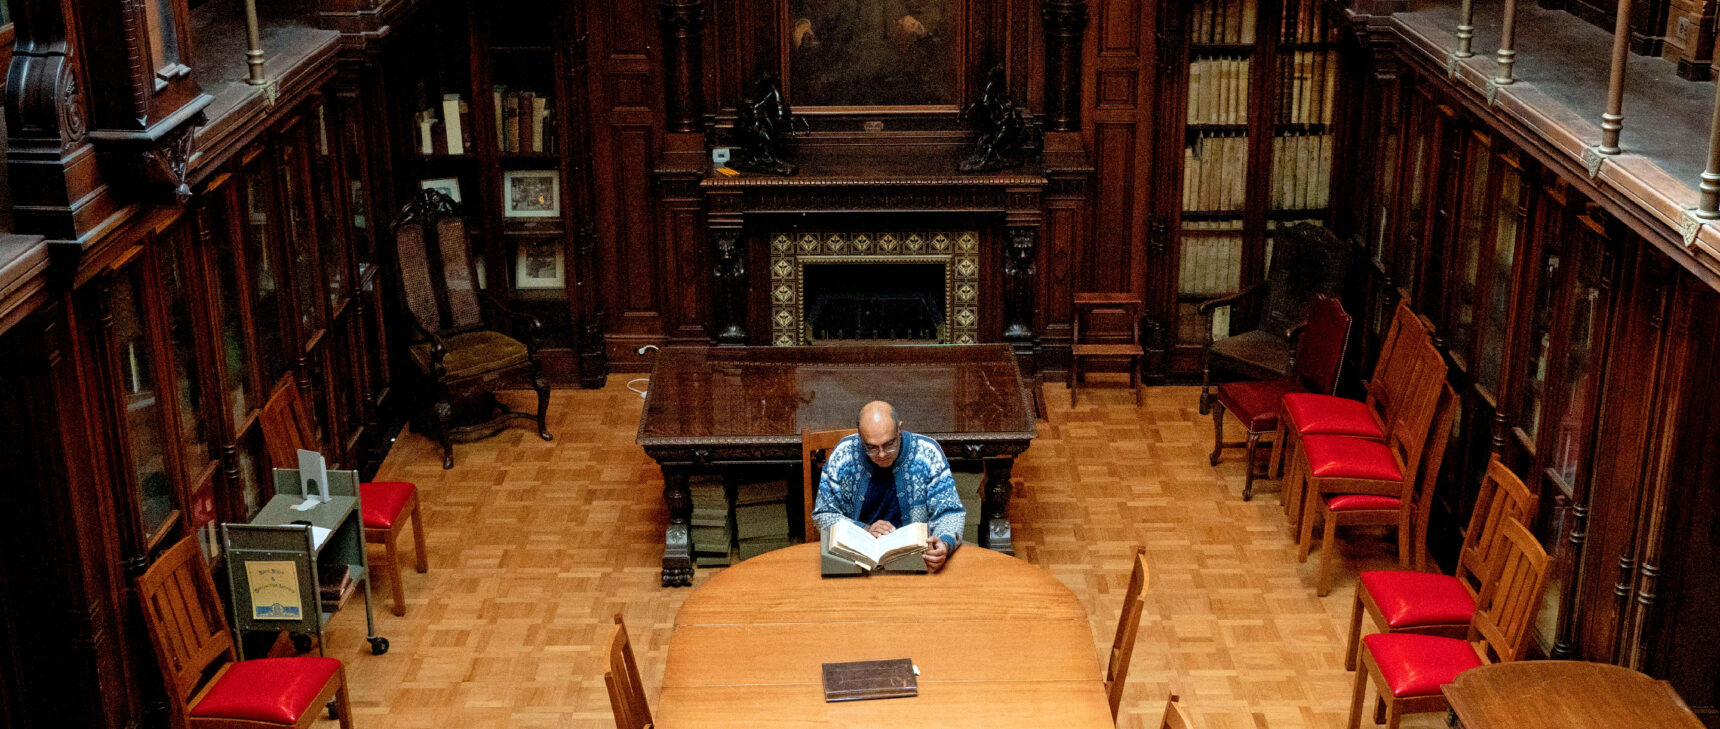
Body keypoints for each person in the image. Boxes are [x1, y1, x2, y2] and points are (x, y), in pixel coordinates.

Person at [812, 401, 965, 572]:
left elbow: (950, 513)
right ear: (860, 437)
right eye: (871, 447)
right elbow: (823, 514)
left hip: (917, 564)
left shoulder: (928, 453)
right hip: (858, 565)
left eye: (889, 444)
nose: (882, 454)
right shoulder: (843, 454)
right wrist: (864, 530)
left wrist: (944, 543)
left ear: (899, 429)